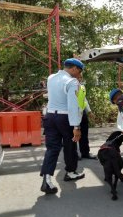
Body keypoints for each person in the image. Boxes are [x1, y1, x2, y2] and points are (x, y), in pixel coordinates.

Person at [40, 58, 86, 194]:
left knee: (52, 148)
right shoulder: (72, 82)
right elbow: (73, 106)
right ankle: (71, 172)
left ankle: (47, 180)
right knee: (70, 145)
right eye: (79, 71)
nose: (79, 75)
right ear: (74, 69)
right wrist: (76, 126)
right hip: (64, 118)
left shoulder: (51, 78)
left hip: (49, 117)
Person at [77, 73, 97, 160]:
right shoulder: (69, 86)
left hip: (82, 113)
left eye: (81, 77)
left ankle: (85, 153)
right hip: (72, 113)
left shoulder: (82, 87)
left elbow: (84, 100)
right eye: (78, 76)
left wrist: (89, 111)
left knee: (84, 134)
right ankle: (73, 154)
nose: (80, 78)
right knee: (72, 135)